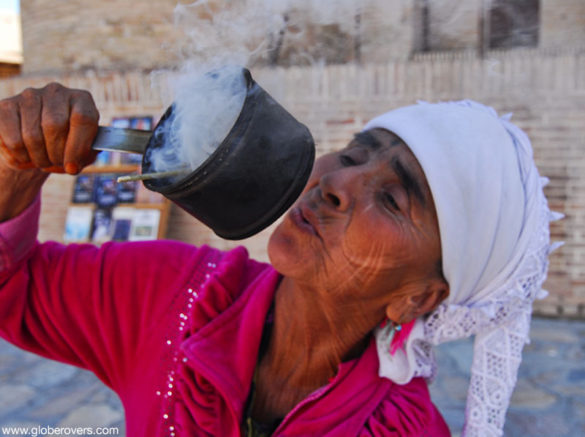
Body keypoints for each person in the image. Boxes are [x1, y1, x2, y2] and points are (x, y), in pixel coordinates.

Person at [0, 83, 558, 437]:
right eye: (356, 153)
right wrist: (11, 178)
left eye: (392, 198)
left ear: (417, 298)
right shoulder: (174, 294)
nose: (337, 181)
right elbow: (14, 287)